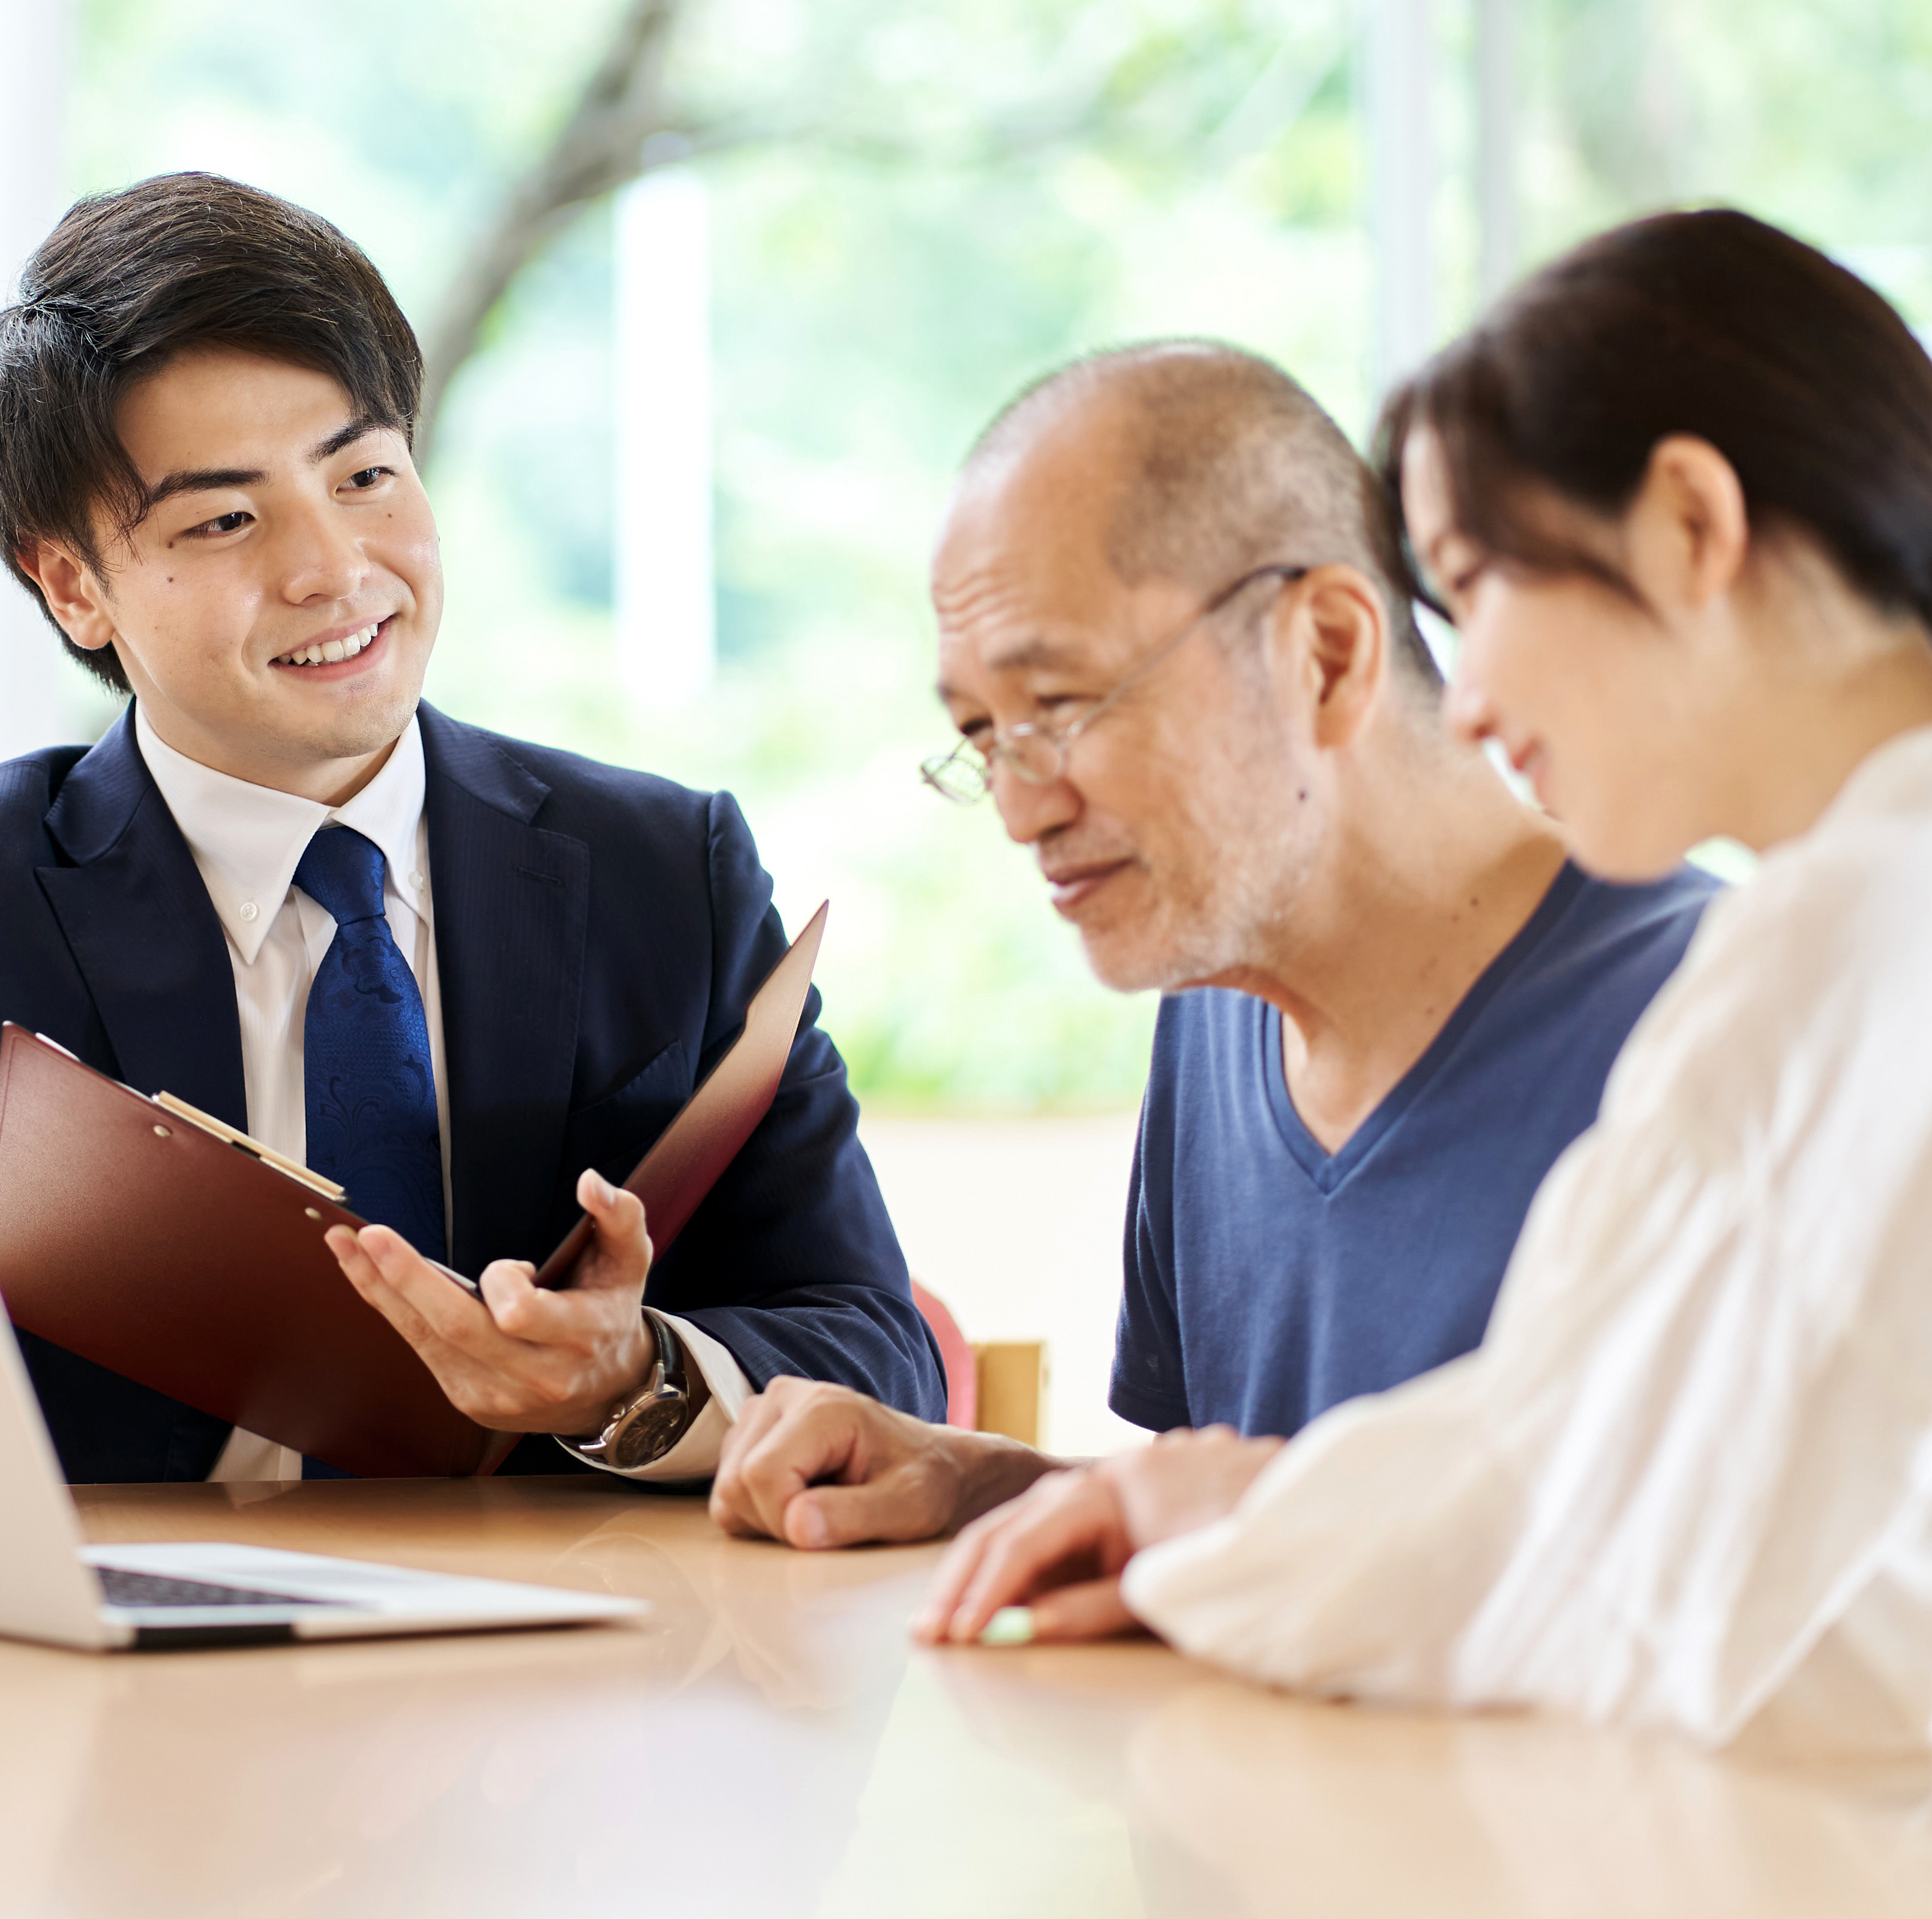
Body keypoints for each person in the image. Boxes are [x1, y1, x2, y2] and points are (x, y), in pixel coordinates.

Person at [912, 208, 1932, 1765]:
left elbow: (1590, 1544)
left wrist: (1232, 1515)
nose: (1464, 697)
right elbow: (1613, 1443)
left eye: (1473, 583)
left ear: (1686, 523)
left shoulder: (1869, 927)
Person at [0, 170, 941, 1482]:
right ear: (74, 587)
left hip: (578, 1659)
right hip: (127, 1678)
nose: (333, 568)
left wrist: (629, 1380)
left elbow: (878, 1346)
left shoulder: (667, 871)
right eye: (223, 520)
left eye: (366, 477)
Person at [711, 343, 1711, 1552]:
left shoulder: (1713, 1019)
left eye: (1062, 705)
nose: (1022, 807)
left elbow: (1698, 1586)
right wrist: (983, 1482)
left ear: (1326, 652)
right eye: (983, 733)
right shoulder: (1219, 1001)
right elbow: (1266, 1520)